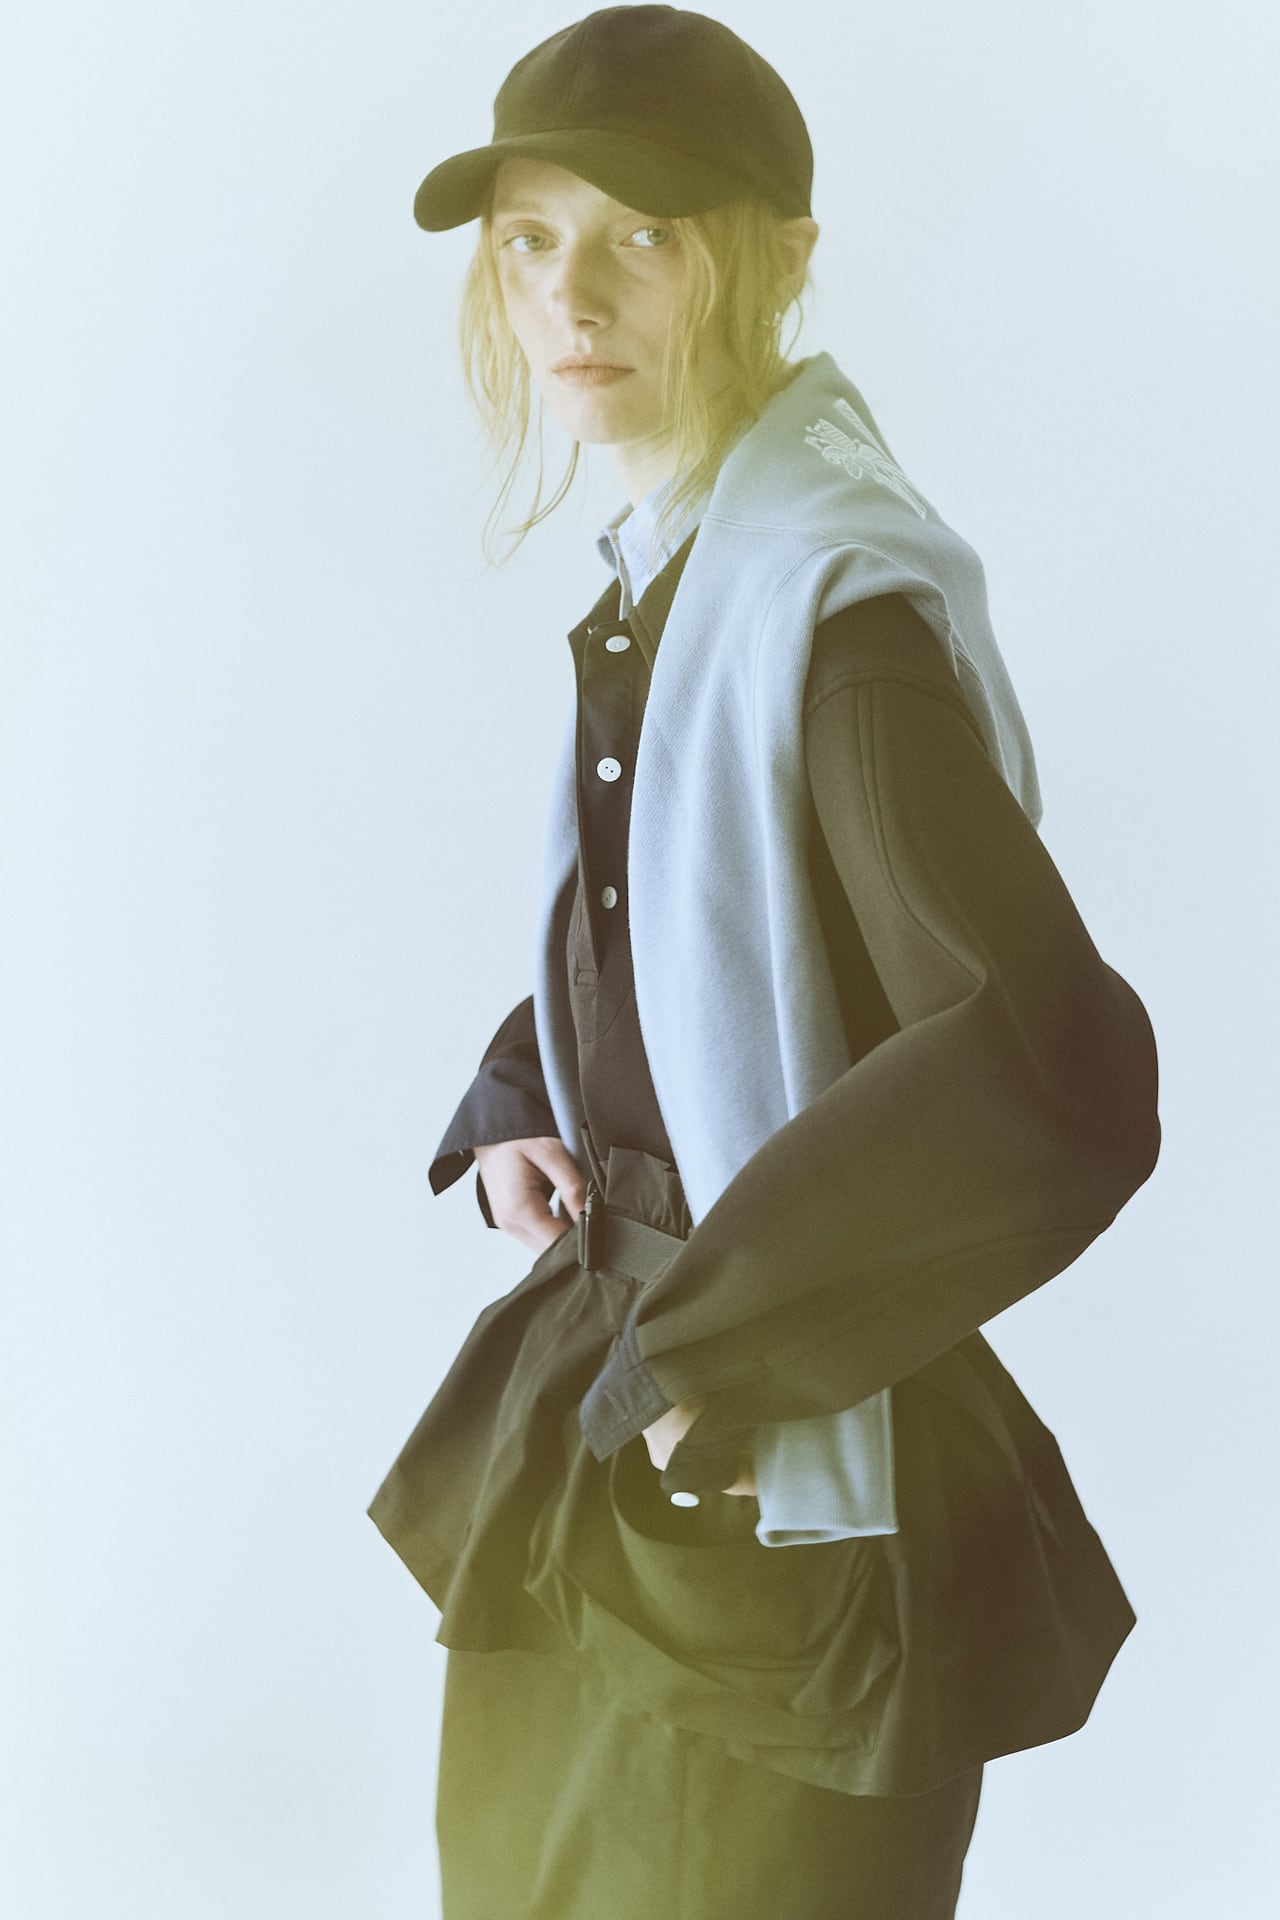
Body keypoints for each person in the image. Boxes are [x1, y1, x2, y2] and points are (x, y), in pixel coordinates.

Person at [368, 9, 1161, 1916]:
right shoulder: (690, 554)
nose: (571, 298)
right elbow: (694, 916)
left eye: (642, 235)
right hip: (629, 1400)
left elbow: (1048, 1061)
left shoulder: (834, 609)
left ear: (780, 257)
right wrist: (524, 1093)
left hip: (756, 1466)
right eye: (531, 238)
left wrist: (701, 1356)